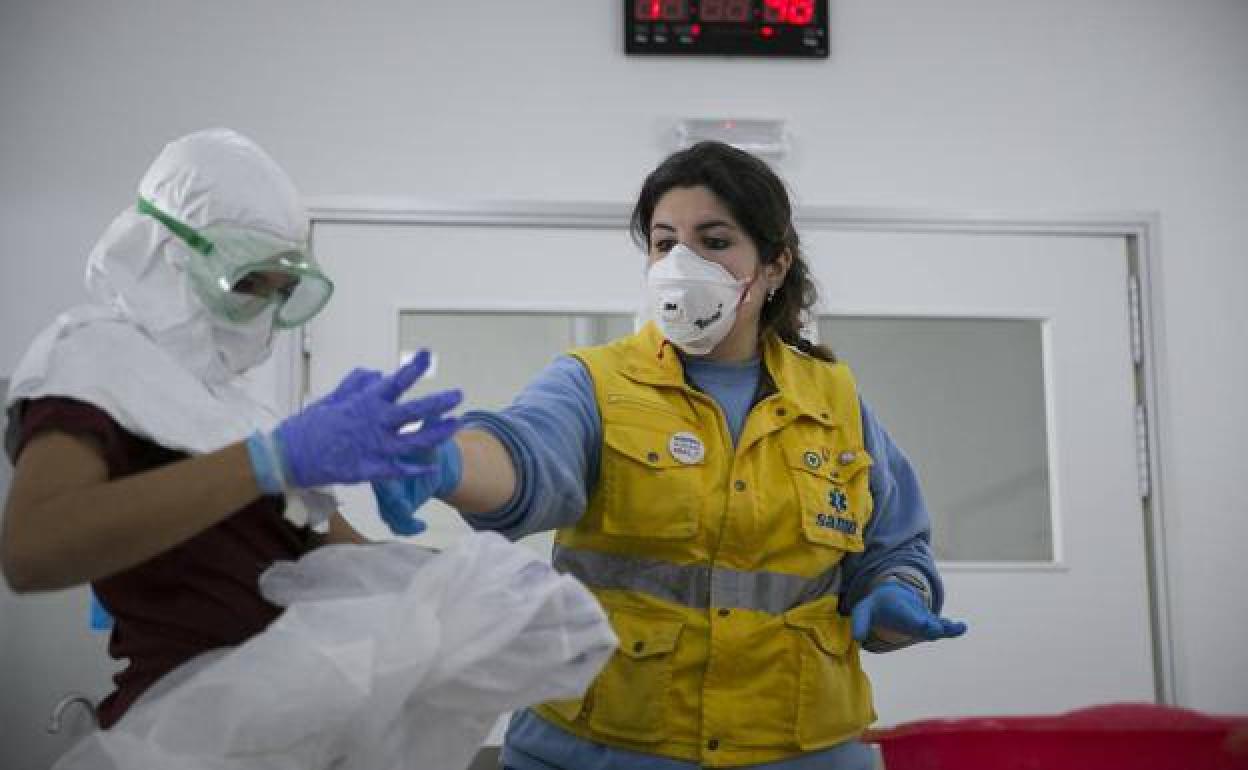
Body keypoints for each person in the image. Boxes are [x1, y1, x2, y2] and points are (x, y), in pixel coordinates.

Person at [374, 140, 969, 769]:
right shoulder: (596, 383)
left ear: (773, 267)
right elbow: (526, 452)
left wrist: (898, 593)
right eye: (665, 244)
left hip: (798, 749)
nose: (682, 264)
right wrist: (447, 458)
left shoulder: (836, 403)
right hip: (599, 749)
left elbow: (897, 545)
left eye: (714, 243)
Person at [0, 128, 463, 730]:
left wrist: (477, 578)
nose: (264, 317)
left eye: (281, 292)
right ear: (167, 253)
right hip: (176, 736)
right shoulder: (93, 357)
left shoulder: (238, 409)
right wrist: (271, 460)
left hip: (279, 730)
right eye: (248, 285)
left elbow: (346, 563)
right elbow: (30, 551)